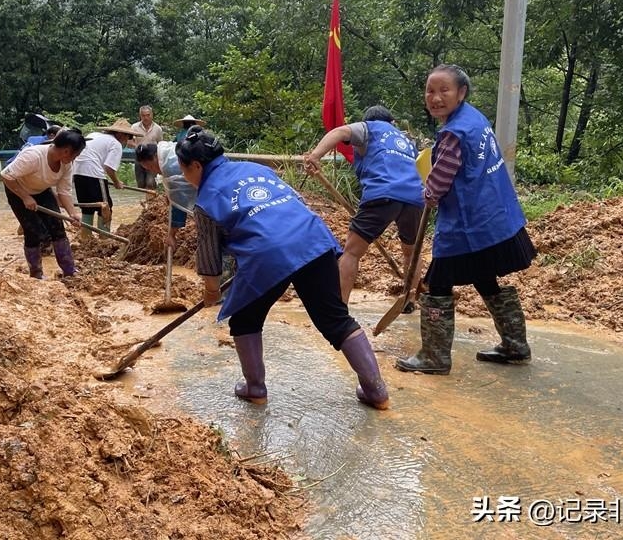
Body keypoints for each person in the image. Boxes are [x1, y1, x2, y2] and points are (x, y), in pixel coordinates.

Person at [177, 126, 389, 410]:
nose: (183, 176)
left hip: (268, 252)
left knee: (244, 320)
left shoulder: (205, 200)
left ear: (196, 165)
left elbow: (208, 253)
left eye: (183, 169)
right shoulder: (256, 169)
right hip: (312, 237)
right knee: (335, 319)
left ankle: (255, 388)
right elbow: (295, 202)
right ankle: (376, 391)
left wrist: (211, 290)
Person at [395, 64, 537, 375]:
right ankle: (515, 346)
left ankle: (434, 357)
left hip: (470, 224)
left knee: (436, 284)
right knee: (486, 278)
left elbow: (439, 184)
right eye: (430, 91)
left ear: (461, 92)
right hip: (498, 216)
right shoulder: (474, 119)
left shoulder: (454, 133)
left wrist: (427, 193)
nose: (435, 97)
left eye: (444, 90)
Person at [303, 105, 425, 306]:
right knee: (412, 251)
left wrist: (316, 155)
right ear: (392, 122)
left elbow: (340, 131)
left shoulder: (369, 128)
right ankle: (409, 299)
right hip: (415, 198)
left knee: (352, 251)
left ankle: (339, 307)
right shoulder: (407, 141)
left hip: (383, 192)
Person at [0, 129, 86, 279]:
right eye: (76, 155)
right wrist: (25, 197)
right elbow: (6, 176)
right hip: (17, 191)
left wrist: (72, 213)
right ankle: (36, 274)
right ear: (66, 151)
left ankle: (70, 271)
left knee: (57, 228)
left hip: (42, 191)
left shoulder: (66, 165)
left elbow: (64, 191)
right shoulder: (33, 156)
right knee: (34, 232)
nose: (75, 159)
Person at [72, 119, 138, 239]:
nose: (127, 140)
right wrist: (117, 182)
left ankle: (85, 239)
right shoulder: (115, 144)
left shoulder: (93, 135)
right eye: (128, 136)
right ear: (120, 134)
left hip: (77, 173)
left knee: (87, 207)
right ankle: (104, 239)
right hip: (93, 174)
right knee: (106, 206)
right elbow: (109, 168)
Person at [135, 141, 195, 248]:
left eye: (151, 167)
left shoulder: (169, 168)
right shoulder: (169, 152)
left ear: (155, 157)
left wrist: (171, 235)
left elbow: (179, 205)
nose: (154, 172)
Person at [130, 106, 164, 189]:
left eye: (148, 115)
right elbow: (129, 142)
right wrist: (139, 148)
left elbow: (160, 144)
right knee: (140, 183)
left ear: (152, 115)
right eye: (143, 115)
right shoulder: (134, 127)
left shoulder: (158, 129)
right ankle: (143, 201)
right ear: (140, 116)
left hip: (152, 159)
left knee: (151, 182)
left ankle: (151, 201)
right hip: (139, 158)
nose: (146, 117)